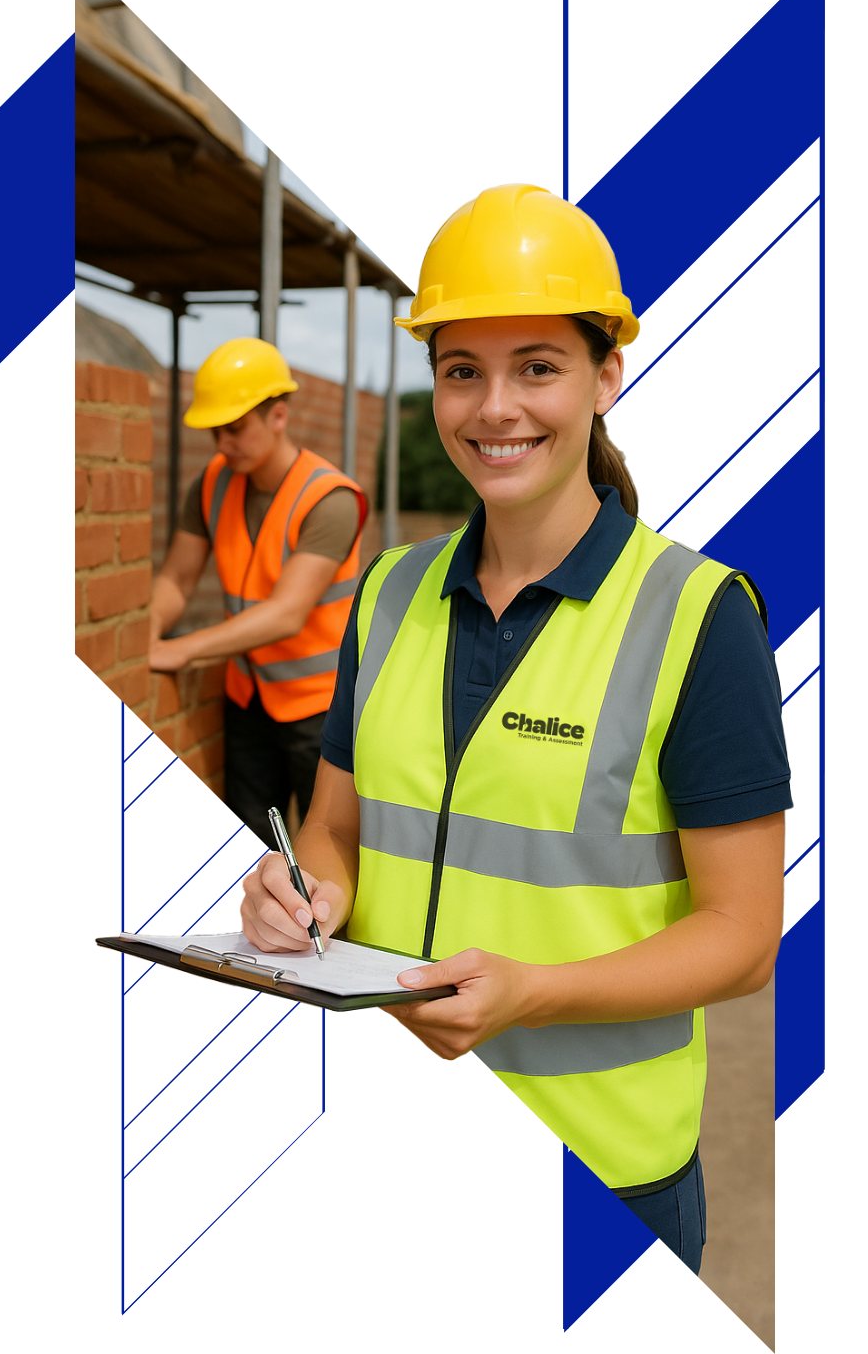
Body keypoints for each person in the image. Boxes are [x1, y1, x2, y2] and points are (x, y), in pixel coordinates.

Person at [237, 185, 791, 1350]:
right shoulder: (387, 595)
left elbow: (743, 935)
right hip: (385, 1135)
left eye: (537, 365)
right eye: (459, 370)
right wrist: (312, 890)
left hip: (597, 1169)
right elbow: (332, 822)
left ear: (607, 376)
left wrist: (535, 990)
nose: (495, 409)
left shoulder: (696, 615)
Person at [148, 337, 367, 830]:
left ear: (278, 416)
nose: (224, 443)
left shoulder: (329, 500)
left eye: (236, 428)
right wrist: (148, 632)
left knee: (324, 853)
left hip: (321, 711)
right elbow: (177, 579)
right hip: (249, 700)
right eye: (216, 432)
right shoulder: (212, 483)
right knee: (247, 848)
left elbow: (287, 613)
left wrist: (182, 650)